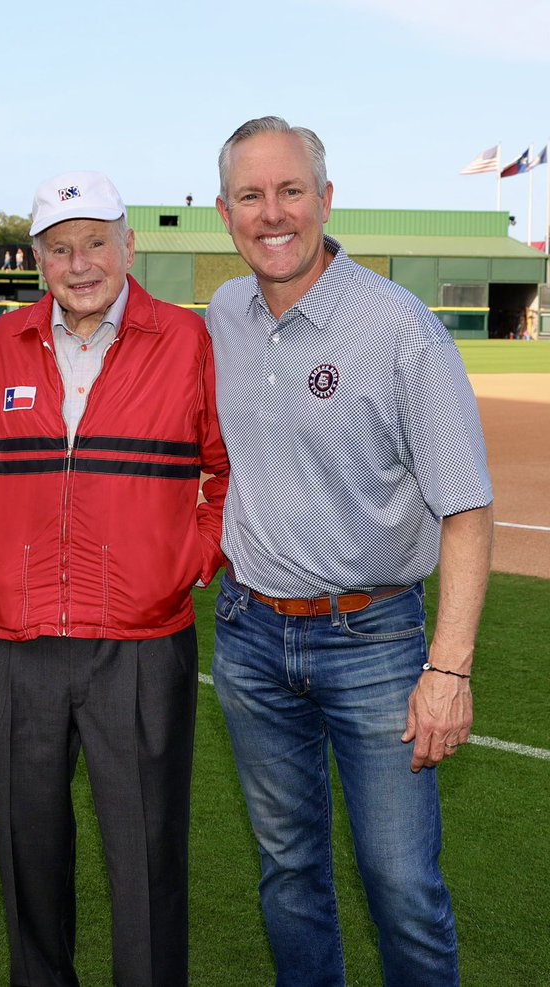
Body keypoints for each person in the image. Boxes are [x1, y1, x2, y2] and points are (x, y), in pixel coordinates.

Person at [206, 116, 494, 986]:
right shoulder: (225, 313)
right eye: (251, 196)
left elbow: (468, 507)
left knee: (402, 885)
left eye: (290, 190)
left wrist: (448, 670)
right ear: (225, 213)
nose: (273, 212)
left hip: (373, 642)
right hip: (251, 636)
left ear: (326, 200)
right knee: (289, 874)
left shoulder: (398, 328)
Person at [0, 170, 229, 987]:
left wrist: (188, 559)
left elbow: (228, 470)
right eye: (61, 248)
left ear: (128, 245)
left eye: (96, 242)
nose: (81, 262)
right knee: (26, 856)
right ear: (39, 260)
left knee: (146, 861)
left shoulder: (185, 340)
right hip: (18, 643)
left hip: (141, 641)